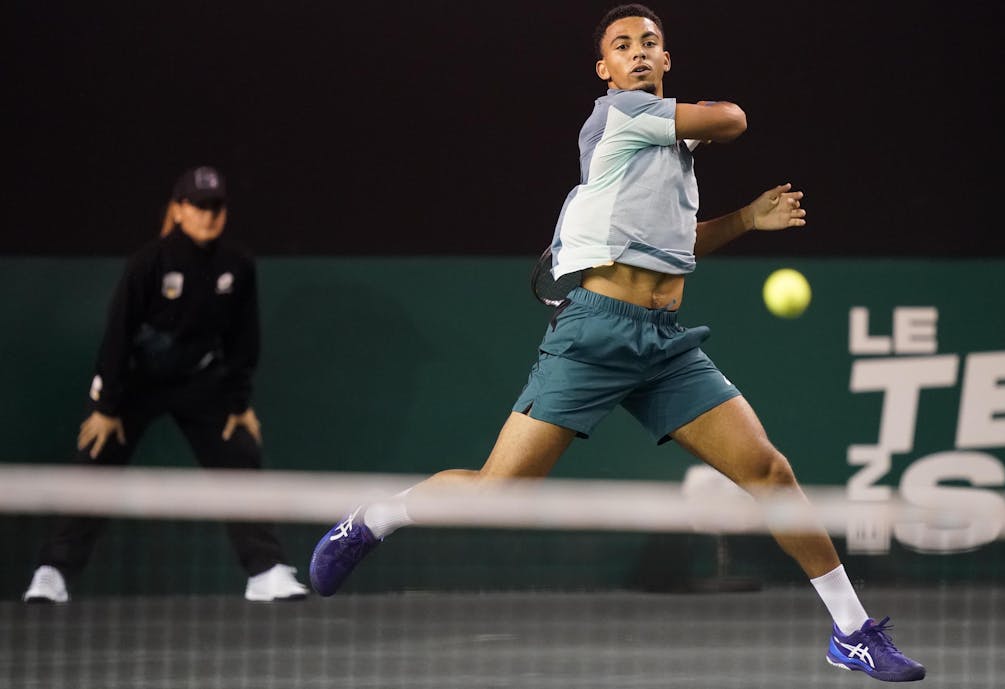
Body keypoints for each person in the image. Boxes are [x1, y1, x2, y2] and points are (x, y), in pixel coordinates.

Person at [310, 4, 923, 682]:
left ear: (667, 59)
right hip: (595, 332)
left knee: (769, 472)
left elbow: (675, 247)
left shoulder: (672, 156)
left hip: (665, 346)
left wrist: (747, 218)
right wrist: (706, 116)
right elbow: (735, 118)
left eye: (650, 43)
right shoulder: (620, 116)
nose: (638, 52)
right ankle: (375, 518)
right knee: (495, 492)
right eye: (623, 45)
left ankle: (852, 632)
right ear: (604, 69)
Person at [22, 166, 308, 604]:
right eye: (198, 206)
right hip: (136, 384)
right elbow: (116, 336)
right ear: (178, 210)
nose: (208, 216)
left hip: (200, 384)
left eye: (216, 207)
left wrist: (238, 402)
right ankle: (52, 573)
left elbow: (242, 339)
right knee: (95, 459)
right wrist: (105, 406)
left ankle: (265, 571)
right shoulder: (148, 264)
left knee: (240, 455)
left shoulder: (237, 266)